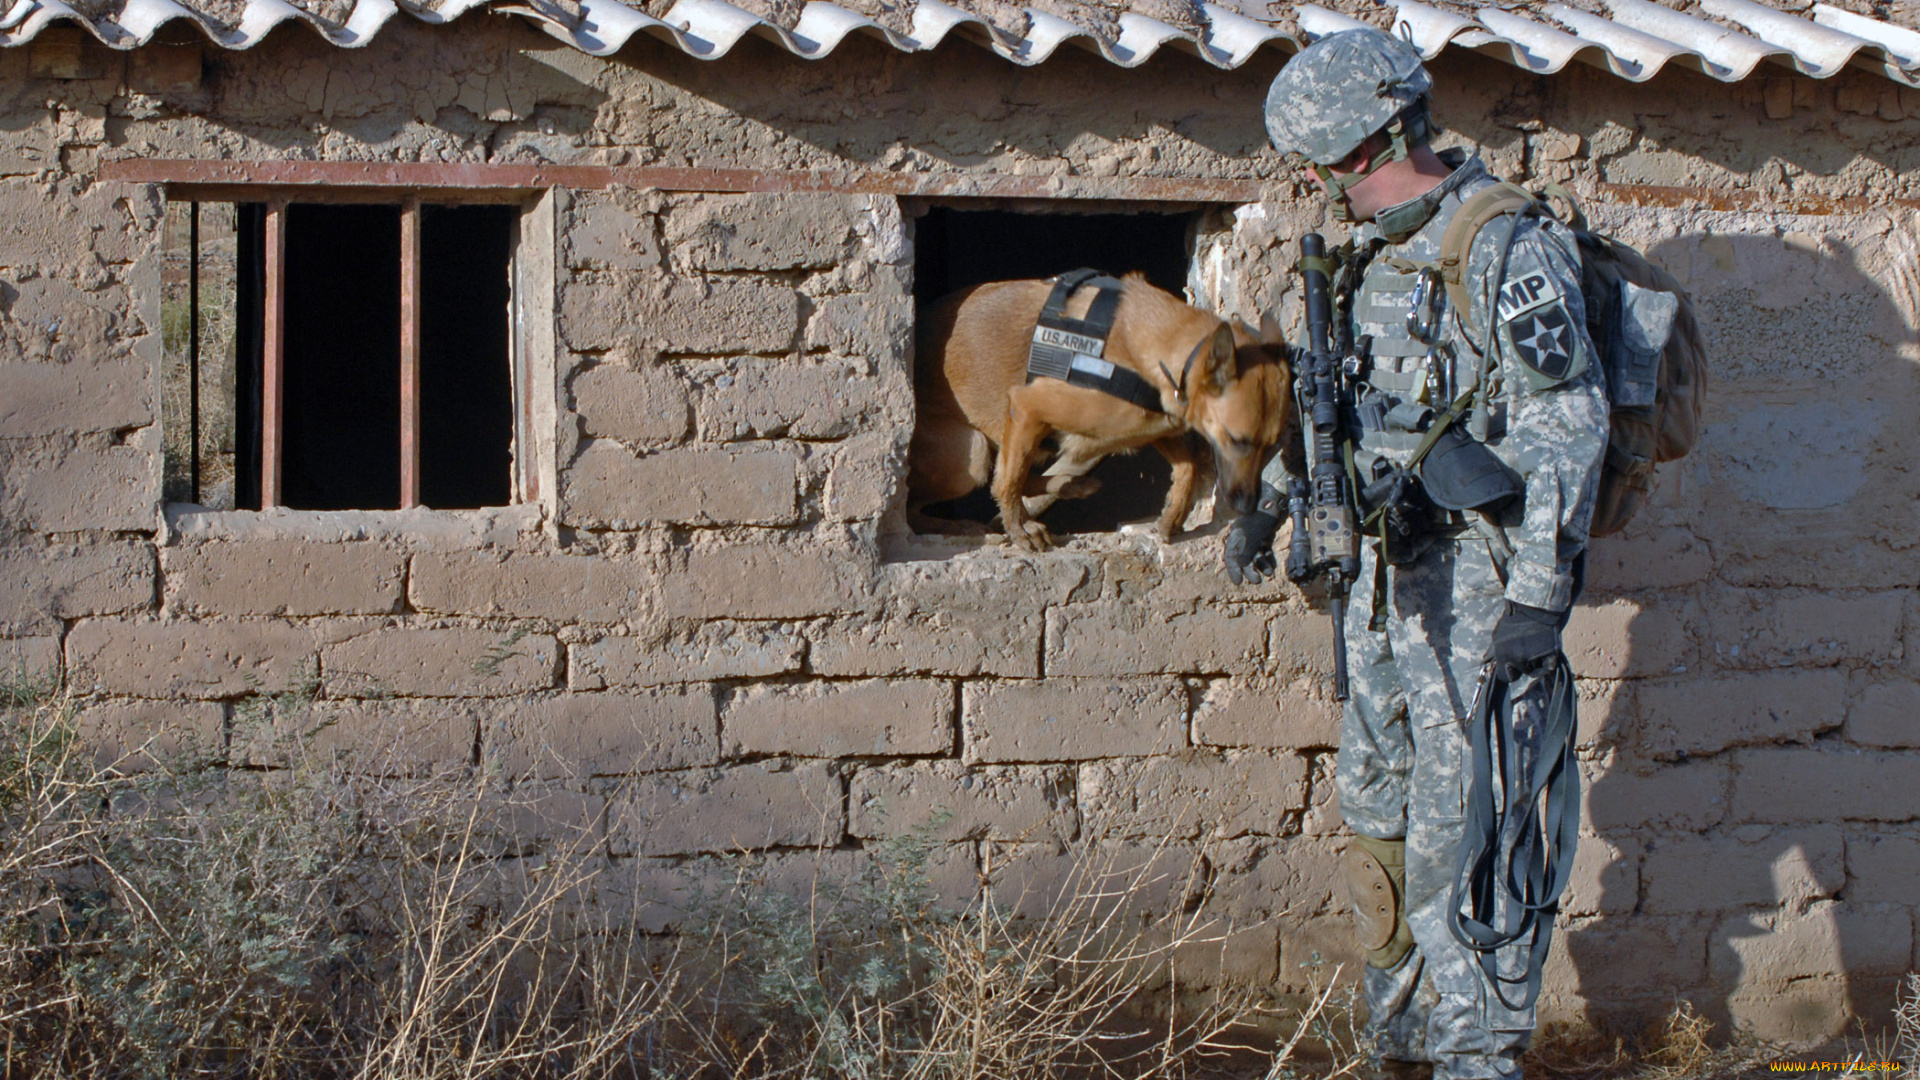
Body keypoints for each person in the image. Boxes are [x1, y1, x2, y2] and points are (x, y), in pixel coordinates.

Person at [1222, 28, 1610, 1080]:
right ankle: (1398, 1041)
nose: (1313, 183)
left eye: (1316, 164)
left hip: (1480, 592)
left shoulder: (1502, 245)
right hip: (1380, 589)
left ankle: (1475, 1058)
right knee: (1380, 815)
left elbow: (1567, 423)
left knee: (1471, 835)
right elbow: (1332, 410)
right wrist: (1269, 503)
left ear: (1347, 150)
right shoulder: (1363, 255)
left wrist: (1537, 597)